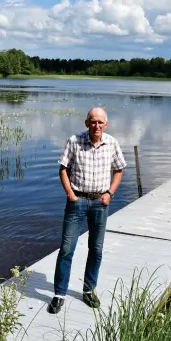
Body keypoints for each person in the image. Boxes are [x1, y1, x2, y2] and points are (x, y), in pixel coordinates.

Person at [47, 107, 127, 314]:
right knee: (66, 249)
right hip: (77, 201)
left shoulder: (112, 143)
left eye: (100, 122)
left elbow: (119, 170)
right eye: (93, 122)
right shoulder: (74, 141)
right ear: (86, 123)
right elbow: (63, 169)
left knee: (96, 249)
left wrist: (110, 193)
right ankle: (59, 294)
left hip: (100, 202)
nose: (97, 126)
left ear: (106, 125)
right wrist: (71, 195)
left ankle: (89, 290)